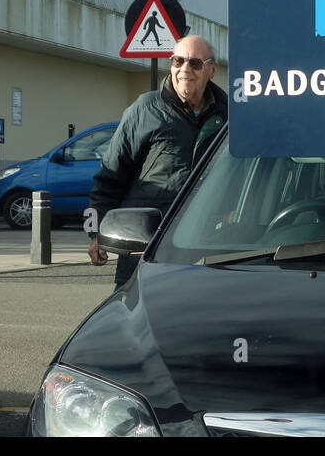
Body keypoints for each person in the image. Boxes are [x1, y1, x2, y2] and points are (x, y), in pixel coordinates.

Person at [87, 34, 227, 287]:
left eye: (194, 63)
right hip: (147, 250)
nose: (185, 69)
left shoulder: (228, 115)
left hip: (209, 251)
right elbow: (109, 178)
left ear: (212, 70)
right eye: (177, 61)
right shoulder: (144, 110)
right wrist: (96, 233)